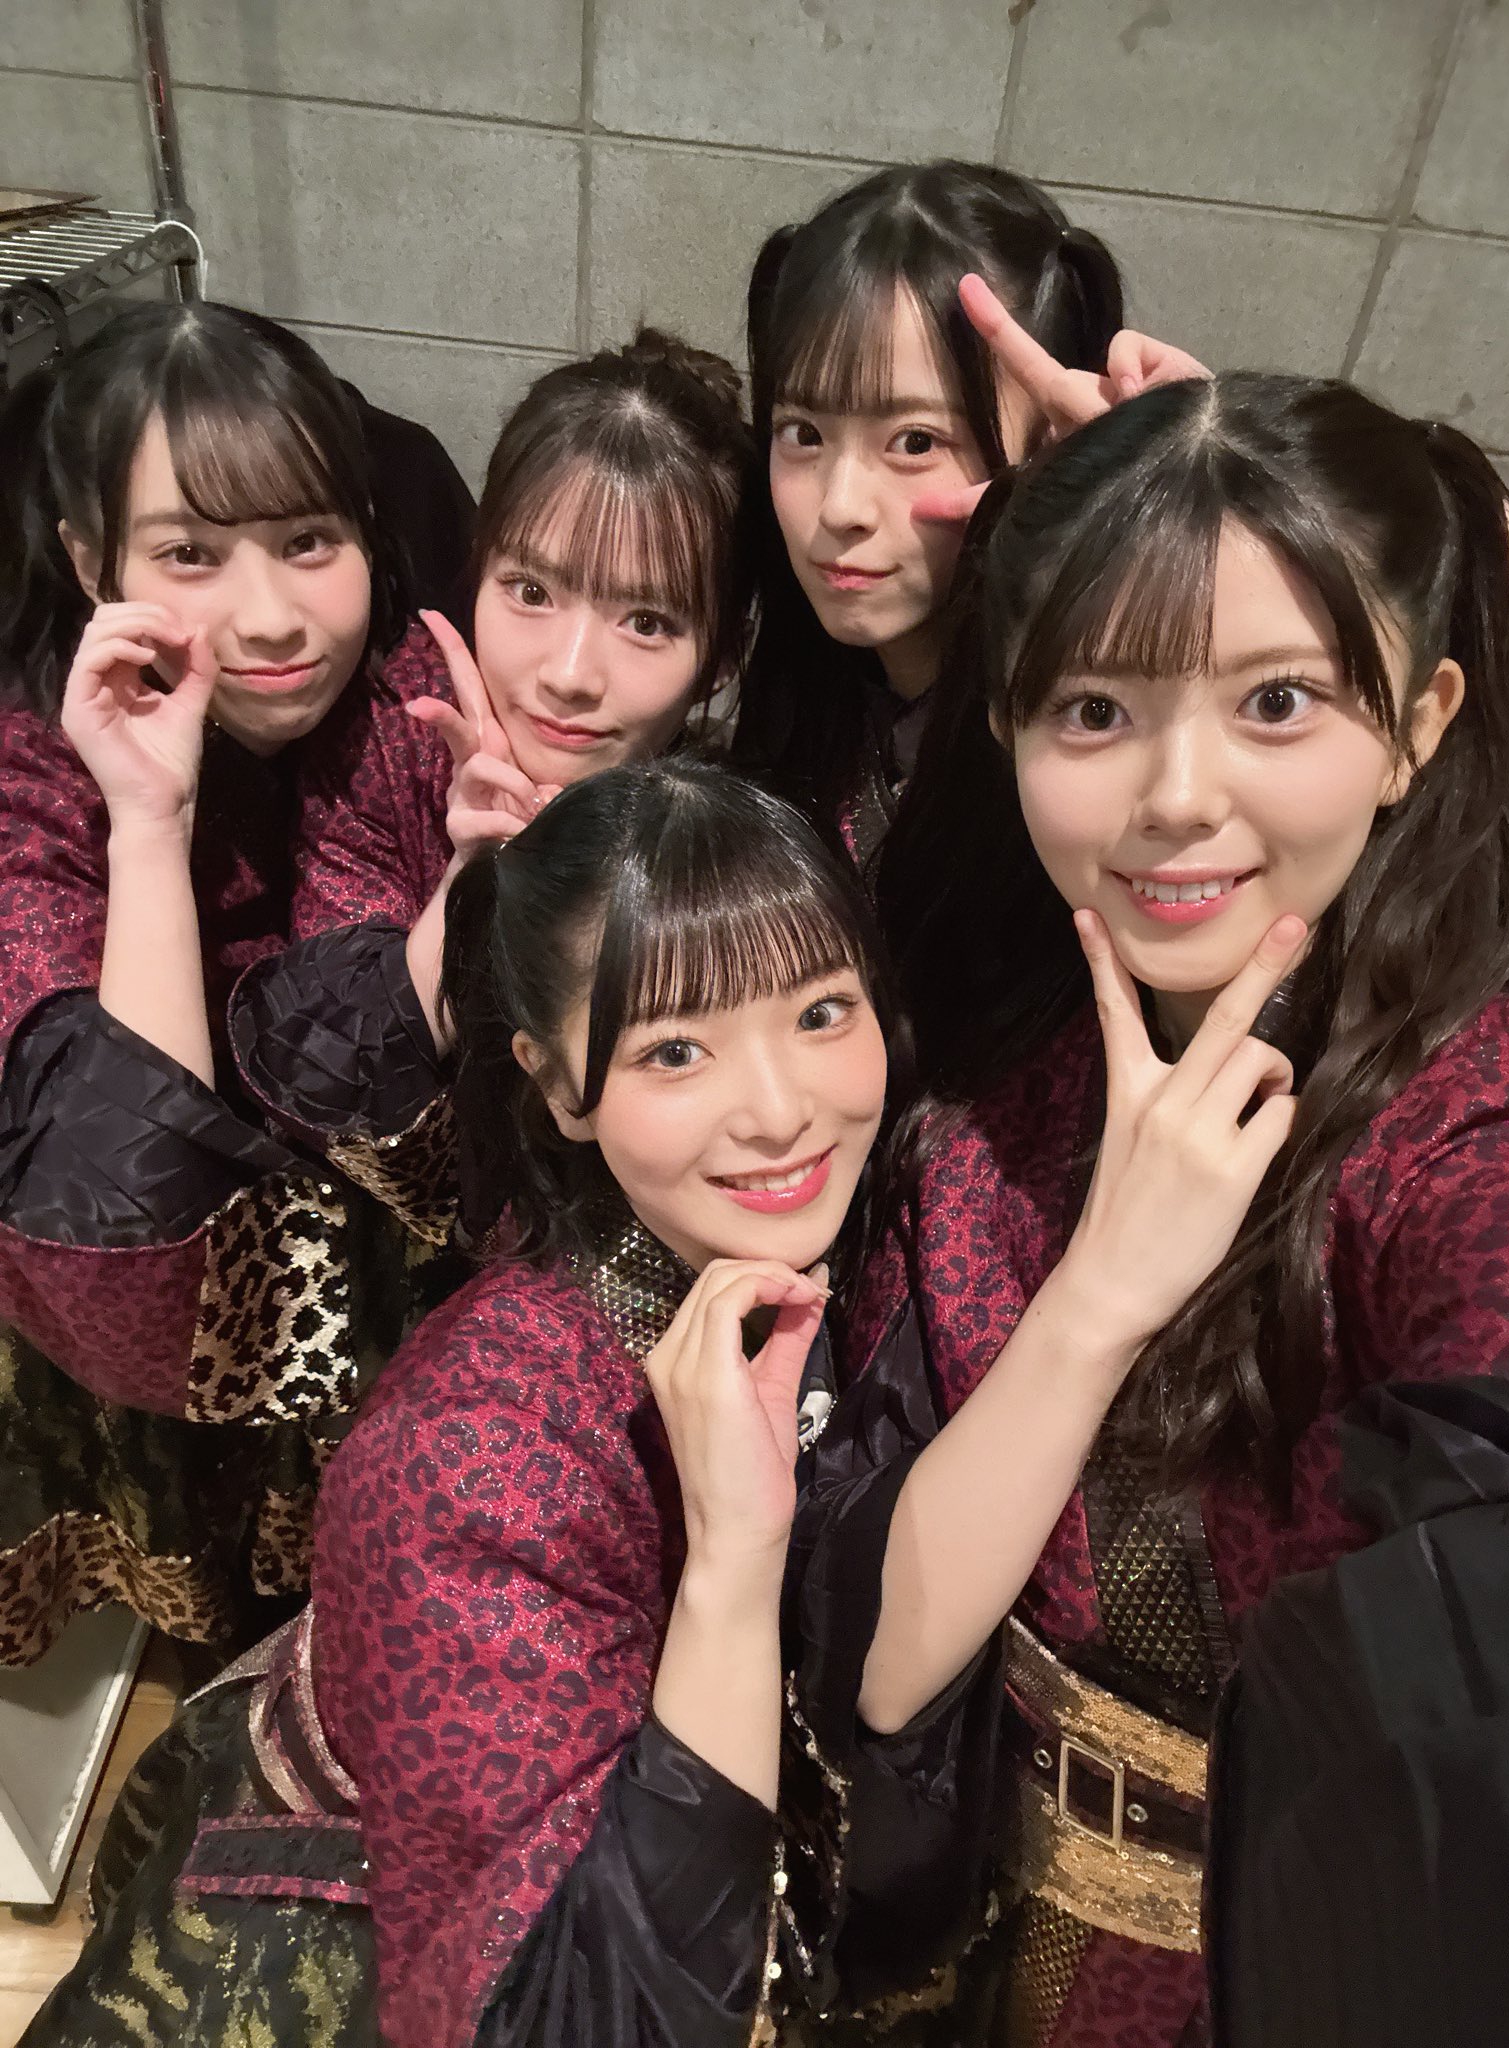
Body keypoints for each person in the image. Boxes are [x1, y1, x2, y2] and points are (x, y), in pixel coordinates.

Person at [792, 370, 1509, 2043]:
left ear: (1419, 726)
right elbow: (887, 1659)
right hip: (972, 1912)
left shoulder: (1472, 1135)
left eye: (1277, 701)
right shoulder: (993, 1078)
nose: (1176, 793)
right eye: (1094, 708)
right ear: (1005, 726)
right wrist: (1098, 1300)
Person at [22, 760, 901, 2048]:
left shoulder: (835, 1236)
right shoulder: (469, 1454)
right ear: (558, 1086)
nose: (781, 1111)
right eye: (673, 1048)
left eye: (821, 1011)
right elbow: (568, 2023)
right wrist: (730, 1563)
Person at [0, 300, 448, 1661]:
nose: (269, 619)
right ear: (92, 561)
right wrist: (148, 824)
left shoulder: (412, 700)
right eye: (189, 554)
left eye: (308, 540)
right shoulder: (35, 777)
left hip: (371, 1304)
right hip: (156, 1328)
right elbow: (114, 1203)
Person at [228, 330, 757, 1250]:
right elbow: (316, 1088)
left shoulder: (729, 827)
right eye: (531, 591)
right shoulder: (393, 733)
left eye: (646, 620)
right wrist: (470, 875)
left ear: (719, 657)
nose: (569, 674)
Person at [730, 159, 1123, 857]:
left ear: (1050, 448)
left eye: (915, 441)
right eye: (805, 434)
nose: (841, 507)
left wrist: (1159, 512)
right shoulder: (805, 710)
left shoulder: (1091, 756)